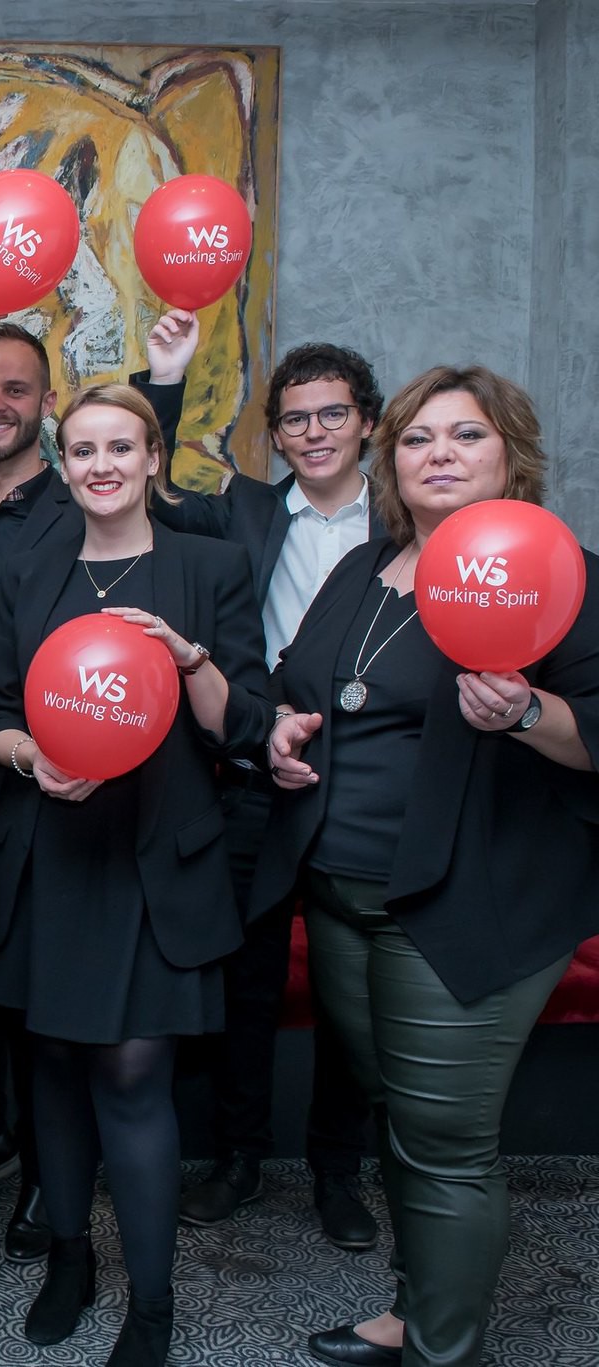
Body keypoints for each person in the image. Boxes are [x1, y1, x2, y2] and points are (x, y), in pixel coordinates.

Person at [258, 367, 599, 1367]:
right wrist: (284, 728)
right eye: (417, 438)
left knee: (444, 1138)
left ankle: (442, 1350)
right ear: (388, 458)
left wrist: (528, 716)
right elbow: (307, 685)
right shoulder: (359, 571)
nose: (438, 453)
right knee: (400, 1115)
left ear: (509, 456)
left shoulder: (555, 572)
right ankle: (416, 1305)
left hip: (459, 903)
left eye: (465, 435)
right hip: (340, 893)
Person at [0, 278, 191, 1265]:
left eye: (16, 389)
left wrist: (163, 385)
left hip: (44, 789)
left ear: (46, 407)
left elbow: (156, 487)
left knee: (31, 998)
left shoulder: (81, 505)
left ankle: (52, 1187)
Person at [0, 384, 269, 1367]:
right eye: (82, 447)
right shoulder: (26, 567)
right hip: (50, 852)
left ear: (151, 459)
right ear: (65, 462)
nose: (100, 463)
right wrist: (26, 757)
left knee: (132, 1072)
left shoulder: (208, 565)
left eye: (119, 447)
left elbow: (245, 727)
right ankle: (67, 1254)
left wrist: (187, 660)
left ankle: (151, 1299)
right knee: (52, 1065)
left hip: (153, 861)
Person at [151, 340, 383, 1248]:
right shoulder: (241, 514)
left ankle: (337, 1170)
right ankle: (240, 1156)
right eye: (294, 418)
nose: (313, 431)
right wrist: (165, 382)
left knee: (346, 990)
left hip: (359, 785)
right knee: (245, 982)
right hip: (252, 778)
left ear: (365, 421)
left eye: (332, 413)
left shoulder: (402, 524)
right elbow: (151, 484)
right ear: (274, 434)